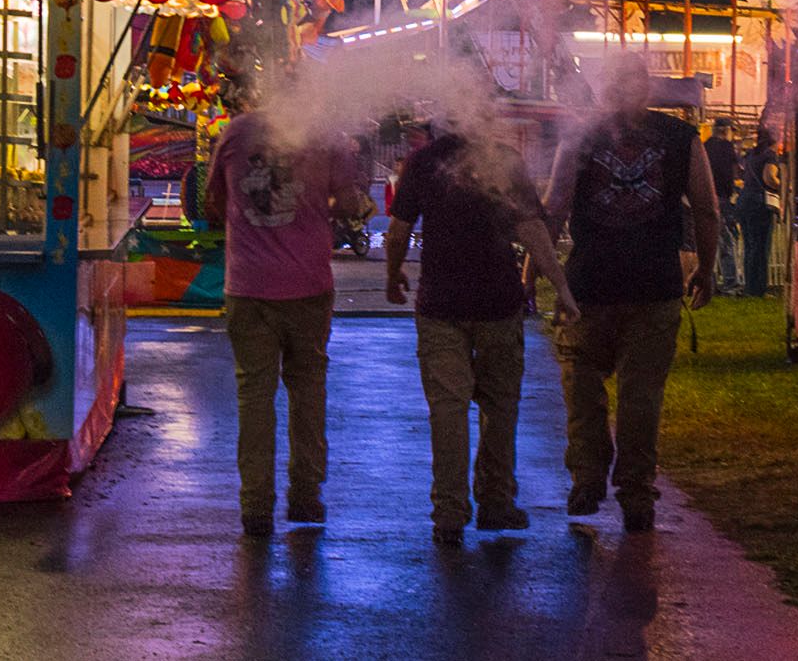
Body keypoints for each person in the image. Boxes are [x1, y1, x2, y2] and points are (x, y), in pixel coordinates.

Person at [385, 111, 579, 545]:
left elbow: (398, 229)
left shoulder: (424, 162)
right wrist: (561, 289)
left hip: (441, 306)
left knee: (448, 411)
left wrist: (393, 275)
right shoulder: (504, 160)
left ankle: (449, 512)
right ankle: (496, 503)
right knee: (500, 406)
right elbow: (532, 228)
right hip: (498, 302)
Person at [545, 58, 720, 533]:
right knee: (642, 397)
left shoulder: (579, 136)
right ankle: (636, 494)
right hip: (654, 285)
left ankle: (586, 479)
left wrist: (534, 273)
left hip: (588, 287)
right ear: (648, 90)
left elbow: (555, 207)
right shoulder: (681, 138)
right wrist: (706, 267)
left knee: (581, 387)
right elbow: (705, 209)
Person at [201, 70, 357, 538]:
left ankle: (255, 507)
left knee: (255, 397)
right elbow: (350, 203)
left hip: (248, 288)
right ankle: (306, 498)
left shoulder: (236, 133)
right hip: (308, 286)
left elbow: (210, 204)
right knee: (308, 391)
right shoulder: (326, 136)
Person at [735, 135, 777, 296]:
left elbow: (741, 173)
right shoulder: (770, 156)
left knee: (749, 246)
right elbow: (770, 178)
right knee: (760, 247)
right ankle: (758, 288)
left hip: (744, 200)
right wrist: (785, 186)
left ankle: (750, 286)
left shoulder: (752, 154)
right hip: (759, 203)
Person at [704, 126, 741, 293]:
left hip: (705, 197)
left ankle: (709, 281)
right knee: (726, 241)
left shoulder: (705, 145)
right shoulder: (727, 147)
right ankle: (730, 282)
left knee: (706, 240)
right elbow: (733, 173)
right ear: (726, 131)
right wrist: (732, 191)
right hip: (722, 197)